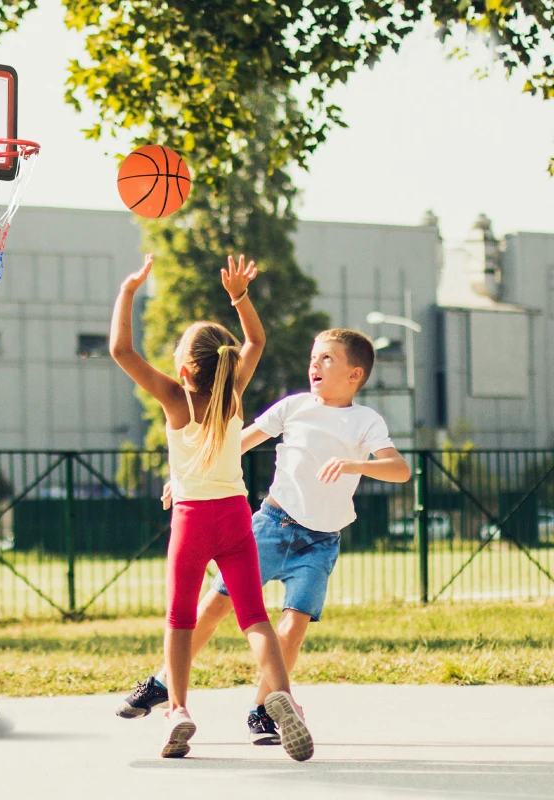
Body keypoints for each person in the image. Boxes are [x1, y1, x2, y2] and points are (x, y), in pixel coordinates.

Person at [116, 327, 411, 745]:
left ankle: (264, 708)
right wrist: (184, 475)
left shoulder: (366, 421)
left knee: (293, 626)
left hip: (321, 541)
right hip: (273, 525)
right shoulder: (293, 407)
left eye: (327, 358)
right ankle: (164, 680)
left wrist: (356, 465)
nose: (314, 364)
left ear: (355, 375)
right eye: (313, 356)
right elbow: (232, 441)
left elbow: (400, 470)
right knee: (217, 607)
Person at [109, 252, 313, 761]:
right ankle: (281, 696)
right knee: (255, 619)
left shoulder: (175, 398)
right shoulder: (233, 394)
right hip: (235, 517)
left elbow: (119, 349)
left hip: (193, 520)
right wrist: (240, 297)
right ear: (223, 363)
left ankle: (177, 709)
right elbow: (257, 341)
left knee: (180, 619)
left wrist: (129, 291)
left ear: (183, 367)